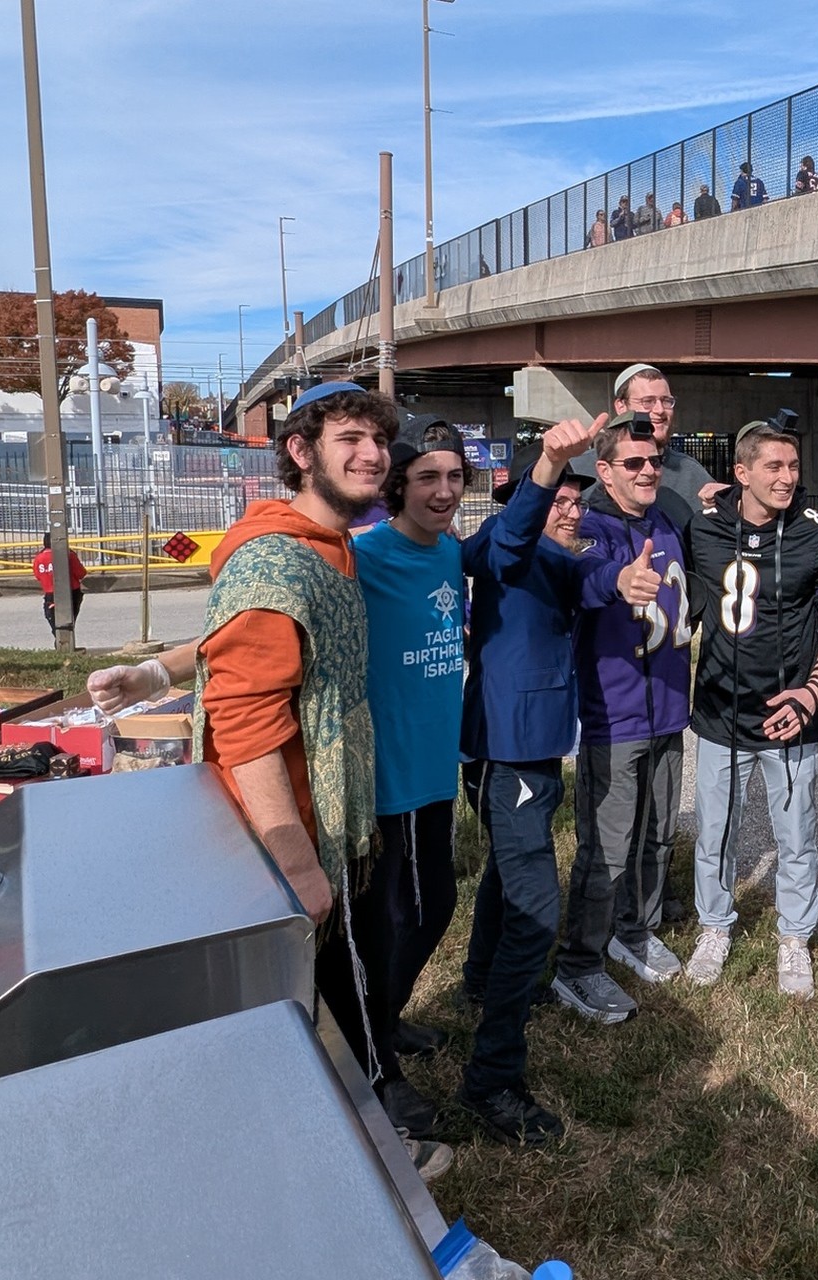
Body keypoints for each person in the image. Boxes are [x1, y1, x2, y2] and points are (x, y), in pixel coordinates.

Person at [188, 381, 406, 1120]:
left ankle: (356, 1117)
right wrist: (297, 861)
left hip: (332, 820)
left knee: (340, 993)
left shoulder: (332, 548)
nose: (373, 455)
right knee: (297, 1011)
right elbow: (245, 719)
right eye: (350, 440)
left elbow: (245, 644)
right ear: (300, 452)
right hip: (286, 835)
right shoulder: (273, 561)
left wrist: (158, 666)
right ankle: (348, 1143)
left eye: (378, 441)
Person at [457, 412, 653, 1144]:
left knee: (506, 880)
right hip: (503, 752)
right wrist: (544, 469)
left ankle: (480, 980)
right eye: (559, 500)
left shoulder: (563, 560)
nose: (572, 509)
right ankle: (492, 1078)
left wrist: (625, 577)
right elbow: (510, 538)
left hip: (533, 753)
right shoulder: (501, 549)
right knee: (538, 904)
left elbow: (594, 575)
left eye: (578, 499)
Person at [684, 418, 818, 999]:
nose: (787, 478)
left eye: (793, 466)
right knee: (715, 830)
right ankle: (714, 926)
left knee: (796, 835)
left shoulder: (817, 534)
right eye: (773, 467)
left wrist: (811, 693)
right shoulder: (702, 529)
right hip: (718, 710)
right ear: (742, 472)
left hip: (792, 713)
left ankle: (794, 937)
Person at [339, 411, 473, 1141]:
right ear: (397, 485)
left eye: (454, 477)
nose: (444, 490)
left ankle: (386, 1022)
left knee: (434, 908)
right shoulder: (364, 557)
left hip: (436, 772)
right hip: (385, 779)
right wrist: (154, 669)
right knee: (387, 924)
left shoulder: (451, 555)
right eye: (427, 477)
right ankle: (372, 1067)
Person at [551, 414, 690, 1024]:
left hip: (669, 709)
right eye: (631, 463)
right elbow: (584, 576)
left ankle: (632, 929)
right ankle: (578, 963)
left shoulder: (667, 521)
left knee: (657, 832)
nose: (647, 470)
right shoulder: (593, 525)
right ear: (604, 471)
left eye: (654, 459)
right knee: (606, 848)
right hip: (615, 715)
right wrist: (618, 580)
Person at [604, 362, 719, 520]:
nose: (659, 410)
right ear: (621, 406)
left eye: (666, 401)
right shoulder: (582, 466)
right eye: (648, 401)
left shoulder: (690, 473)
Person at [32, 544, 86, 632]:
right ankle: (65, 637)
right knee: (69, 621)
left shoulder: (39, 558)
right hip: (72, 591)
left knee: (52, 618)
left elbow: (38, 576)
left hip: (50, 593)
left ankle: (58, 636)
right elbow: (81, 573)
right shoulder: (69, 555)